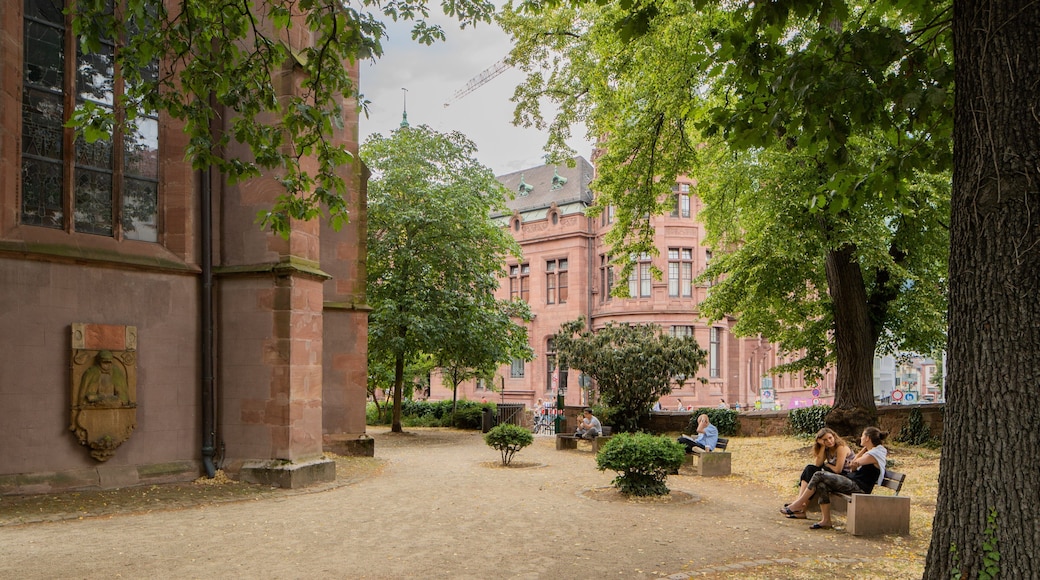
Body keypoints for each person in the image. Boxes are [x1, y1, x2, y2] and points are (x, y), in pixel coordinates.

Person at [780, 427, 889, 529]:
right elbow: (853, 465)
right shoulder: (870, 452)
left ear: (867, 438)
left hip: (860, 487)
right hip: (853, 482)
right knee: (822, 484)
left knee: (819, 475)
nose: (861, 437)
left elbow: (853, 463)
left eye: (862, 436)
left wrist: (857, 460)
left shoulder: (874, 454)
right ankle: (826, 521)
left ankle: (798, 504)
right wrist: (864, 449)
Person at [781, 428, 853, 519]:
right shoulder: (827, 449)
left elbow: (838, 469)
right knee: (810, 469)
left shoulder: (841, 448)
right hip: (833, 475)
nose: (829, 441)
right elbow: (818, 464)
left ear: (834, 436)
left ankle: (799, 504)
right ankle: (800, 504)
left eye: (830, 438)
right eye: (825, 440)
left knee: (815, 476)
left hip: (844, 477)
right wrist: (822, 447)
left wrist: (828, 465)